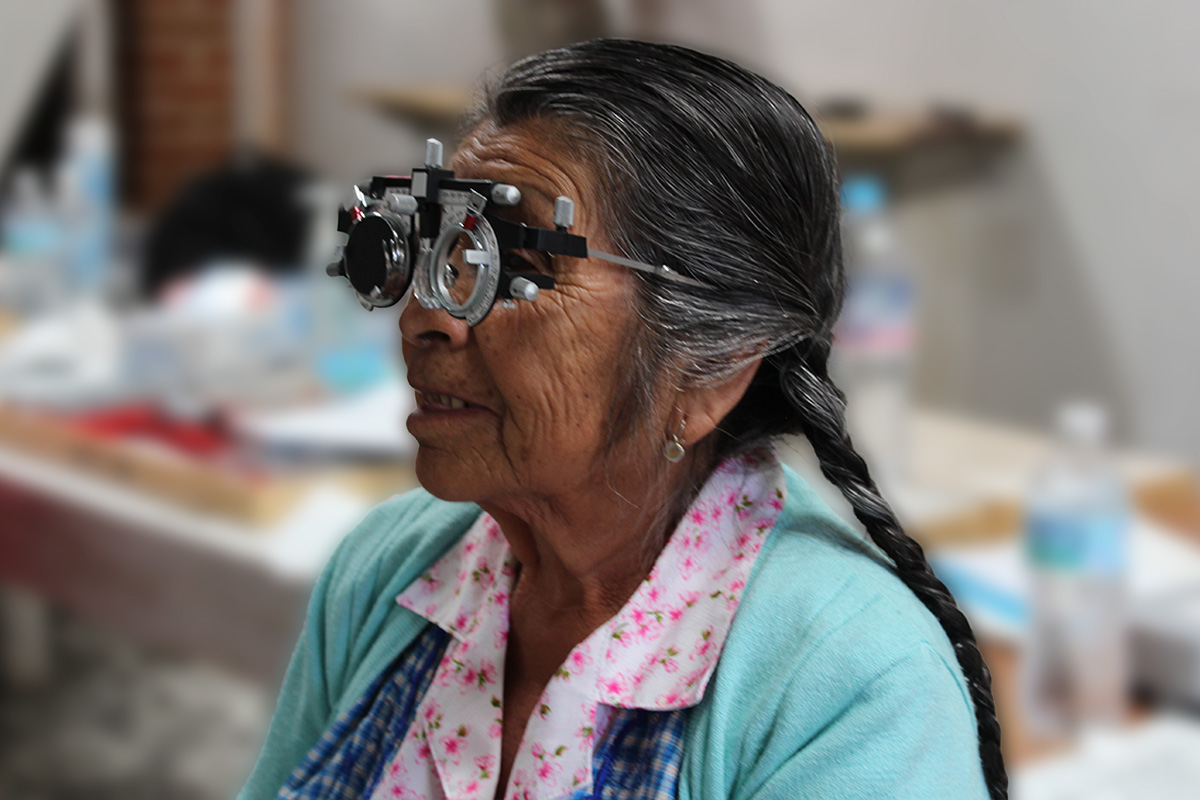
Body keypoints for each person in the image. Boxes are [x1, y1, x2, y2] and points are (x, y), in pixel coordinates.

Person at [239, 39, 1005, 800]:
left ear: (713, 367)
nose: (424, 318)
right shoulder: (387, 572)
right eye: (440, 254)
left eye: (517, 270)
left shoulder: (849, 683)